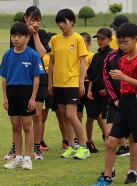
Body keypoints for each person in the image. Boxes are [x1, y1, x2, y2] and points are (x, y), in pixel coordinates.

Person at [89, 23, 137, 186]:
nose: (122, 45)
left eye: (125, 42)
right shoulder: (121, 60)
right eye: (119, 42)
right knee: (111, 142)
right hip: (123, 104)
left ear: (136, 39)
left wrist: (124, 77)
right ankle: (107, 179)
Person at [4, 6, 51, 159]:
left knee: (37, 115)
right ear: (25, 18)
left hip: (38, 78)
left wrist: (35, 34)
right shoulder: (18, 33)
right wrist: (27, 35)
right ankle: (15, 149)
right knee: (17, 120)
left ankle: (37, 148)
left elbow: (42, 53)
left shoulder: (42, 34)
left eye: (38, 20)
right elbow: (17, 51)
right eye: (32, 19)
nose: (34, 23)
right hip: (20, 80)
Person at [0, 22, 45, 170]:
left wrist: (33, 98)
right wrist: (5, 97)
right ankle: (18, 157)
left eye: (19, 36)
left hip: (26, 91)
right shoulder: (7, 55)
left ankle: (27, 158)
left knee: (27, 126)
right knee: (16, 126)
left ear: (27, 37)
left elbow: (37, 77)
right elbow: (4, 77)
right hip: (12, 92)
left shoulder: (33, 55)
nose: (16, 39)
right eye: (13, 36)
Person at [48, 8, 90, 160]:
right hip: (58, 82)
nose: (61, 25)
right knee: (64, 116)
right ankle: (72, 146)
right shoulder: (55, 39)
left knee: (72, 115)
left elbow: (83, 61)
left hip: (72, 82)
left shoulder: (78, 39)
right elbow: (52, 61)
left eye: (64, 22)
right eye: (58, 22)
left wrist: (81, 82)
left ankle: (83, 146)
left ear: (72, 22)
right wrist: (50, 81)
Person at [85, 28, 113, 153]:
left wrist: (107, 89)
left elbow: (115, 75)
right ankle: (89, 142)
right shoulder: (96, 56)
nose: (100, 41)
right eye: (98, 39)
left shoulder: (112, 54)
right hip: (95, 91)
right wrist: (89, 90)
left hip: (108, 91)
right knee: (90, 117)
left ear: (110, 40)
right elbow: (91, 75)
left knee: (109, 118)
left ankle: (115, 143)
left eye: (103, 39)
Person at [77, 32, 97, 152]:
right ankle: (78, 139)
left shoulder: (92, 56)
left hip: (88, 85)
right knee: (78, 114)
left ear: (89, 44)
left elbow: (93, 73)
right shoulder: (75, 56)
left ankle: (90, 140)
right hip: (77, 85)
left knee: (92, 115)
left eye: (83, 42)